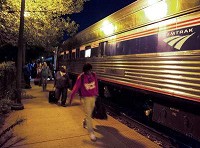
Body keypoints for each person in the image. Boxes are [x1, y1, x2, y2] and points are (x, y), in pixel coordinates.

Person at [69, 63, 98, 142]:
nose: (90, 72)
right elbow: (75, 88)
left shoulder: (94, 75)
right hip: (85, 98)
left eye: (90, 70)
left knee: (90, 114)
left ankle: (85, 121)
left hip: (93, 97)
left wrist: (96, 93)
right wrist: (71, 98)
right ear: (85, 71)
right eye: (88, 70)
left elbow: (96, 85)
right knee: (88, 115)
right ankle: (91, 133)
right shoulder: (81, 77)